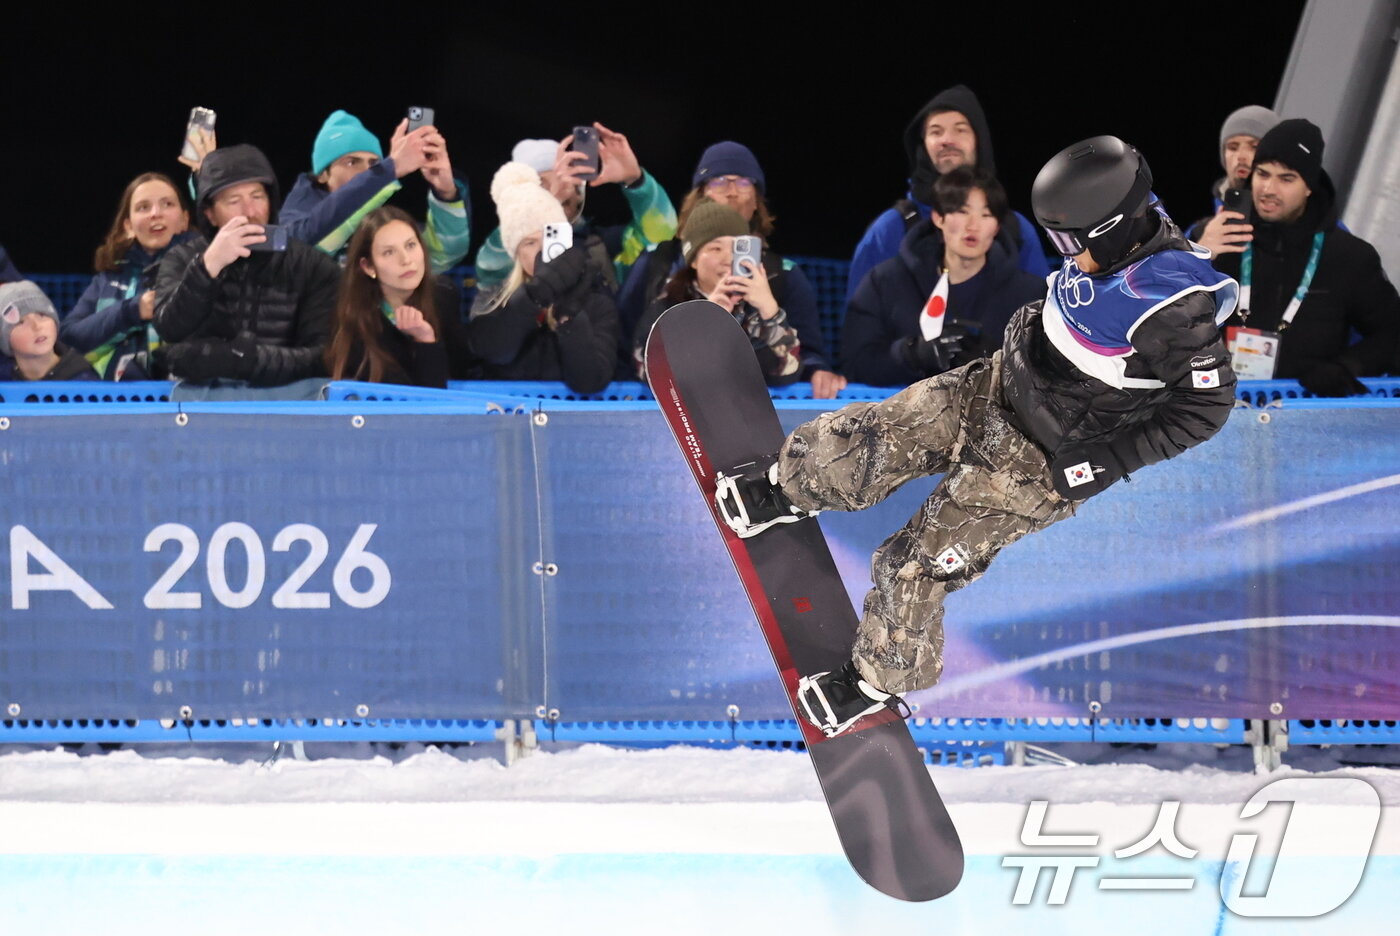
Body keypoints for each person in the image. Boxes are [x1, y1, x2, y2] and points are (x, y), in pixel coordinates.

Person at [717, 137, 1239, 737]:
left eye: (1073, 242)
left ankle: (873, 685)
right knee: (872, 435)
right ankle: (786, 488)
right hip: (997, 384)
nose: (1066, 254)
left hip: (1039, 461)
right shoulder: (1121, 224)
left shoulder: (1176, 307)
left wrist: (1103, 464)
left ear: (1115, 228)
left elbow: (1207, 406)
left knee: (913, 564)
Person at [619, 142, 841, 396]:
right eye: (719, 181)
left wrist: (769, 311)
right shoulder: (660, 275)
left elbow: (793, 366)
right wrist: (706, 317)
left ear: (757, 199)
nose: (732, 191)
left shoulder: (781, 276)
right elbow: (638, 358)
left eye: (744, 182)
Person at [1210, 119, 1399, 394]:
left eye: (1286, 178)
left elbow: (1391, 332)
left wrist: (1348, 366)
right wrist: (1196, 255)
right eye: (1262, 174)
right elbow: (1164, 317)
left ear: (1309, 186)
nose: (1269, 189)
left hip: (1307, 415)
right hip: (1222, 413)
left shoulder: (1349, 256)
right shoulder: (1220, 239)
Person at [154, 144, 340, 387]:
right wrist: (208, 266)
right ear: (210, 214)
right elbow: (169, 329)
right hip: (200, 407)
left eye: (257, 196)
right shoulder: (181, 259)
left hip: (285, 406)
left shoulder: (313, 266)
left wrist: (244, 360)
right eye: (234, 201)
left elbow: (323, 357)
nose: (250, 212)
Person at [846, 85, 1050, 305]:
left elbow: (1043, 316)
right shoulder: (889, 230)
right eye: (935, 131)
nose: (947, 140)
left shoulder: (1015, 229)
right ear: (923, 145)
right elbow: (861, 325)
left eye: (960, 129)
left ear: (979, 140)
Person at [842, 167, 1047, 386]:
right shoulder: (885, 281)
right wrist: (912, 354)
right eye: (962, 211)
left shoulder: (1030, 294)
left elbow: (1052, 375)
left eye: (986, 214)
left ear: (997, 226)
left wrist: (1000, 362)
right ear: (938, 217)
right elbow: (856, 363)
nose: (973, 225)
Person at [467, 162, 620, 394]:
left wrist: (570, 317)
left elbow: (589, 381)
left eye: (550, 237)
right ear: (516, 253)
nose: (541, 250)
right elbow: (493, 351)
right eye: (529, 242)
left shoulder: (597, 303)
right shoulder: (493, 299)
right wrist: (534, 296)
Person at [473, 125, 677, 292]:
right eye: (542, 184)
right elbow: (489, 269)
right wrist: (542, 210)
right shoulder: (505, 246)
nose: (559, 188)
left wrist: (636, 182)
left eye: (565, 177)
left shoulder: (604, 246)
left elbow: (662, 239)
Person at [633, 201, 802, 387]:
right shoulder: (669, 305)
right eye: (716, 249)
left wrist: (770, 312)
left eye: (736, 249)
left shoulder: (756, 306)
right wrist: (704, 320)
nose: (728, 259)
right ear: (694, 260)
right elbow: (649, 372)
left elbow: (786, 373)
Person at [280, 110, 470, 272]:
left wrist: (446, 193)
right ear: (322, 174)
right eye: (351, 162)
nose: (366, 172)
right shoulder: (297, 219)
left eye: (374, 164)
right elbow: (300, 247)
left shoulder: (379, 221)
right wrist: (389, 170)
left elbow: (443, 254)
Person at [61, 172, 194, 379]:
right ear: (129, 226)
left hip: (187, 399)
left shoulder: (203, 268)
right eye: (143, 207)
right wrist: (133, 310)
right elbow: (69, 337)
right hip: (118, 401)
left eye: (167, 204)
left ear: (184, 220)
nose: (155, 213)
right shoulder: (109, 277)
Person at [326, 207, 477, 387]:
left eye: (411, 245)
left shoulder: (443, 295)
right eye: (389, 252)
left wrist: (426, 340)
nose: (406, 260)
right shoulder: (352, 316)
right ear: (368, 267)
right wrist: (423, 342)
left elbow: (458, 379)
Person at [1184, 105, 1281, 257]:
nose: (1241, 156)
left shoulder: (1313, 226)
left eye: (1254, 146)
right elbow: (1171, 279)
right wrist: (1199, 254)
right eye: (1232, 147)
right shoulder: (1200, 232)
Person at [0, 281, 99, 381]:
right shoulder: (4, 380)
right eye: (20, 322)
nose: (37, 326)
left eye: (42, 315)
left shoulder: (84, 382)